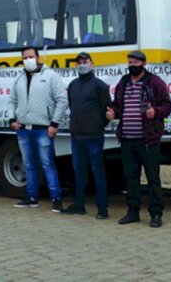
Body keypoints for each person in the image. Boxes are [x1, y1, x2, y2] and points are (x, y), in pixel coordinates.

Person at [106, 50, 171, 228]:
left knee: (153, 178)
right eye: (129, 62)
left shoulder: (154, 82)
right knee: (131, 177)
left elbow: (167, 105)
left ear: (143, 64)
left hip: (148, 140)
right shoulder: (124, 82)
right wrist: (113, 112)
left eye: (135, 63)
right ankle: (132, 212)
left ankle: (156, 214)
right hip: (127, 139)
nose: (132, 66)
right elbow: (118, 105)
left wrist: (155, 112)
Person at [8, 46, 68, 212]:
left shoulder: (50, 76)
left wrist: (54, 123)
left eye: (31, 56)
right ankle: (31, 197)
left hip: (43, 129)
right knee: (29, 165)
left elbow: (62, 100)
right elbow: (12, 100)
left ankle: (56, 199)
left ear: (38, 57)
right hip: (23, 130)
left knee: (47, 164)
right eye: (25, 57)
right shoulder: (19, 78)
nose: (28, 60)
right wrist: (12, 119)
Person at [63, 52, 111, 219]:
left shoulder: (100, 86)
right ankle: (79, 205)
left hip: (94, 137)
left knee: (98, 173)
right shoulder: (73, 85)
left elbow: (107, 111)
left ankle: (102, 209)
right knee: (79, 173)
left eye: (85, 61)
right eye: (79, 62)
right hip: (77, 137)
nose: (82, 64)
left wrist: (97, 126)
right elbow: (71, 105)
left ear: (92, 63)